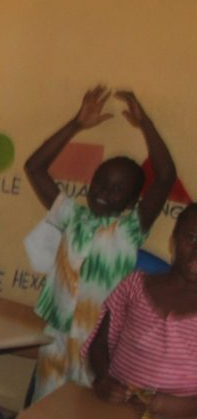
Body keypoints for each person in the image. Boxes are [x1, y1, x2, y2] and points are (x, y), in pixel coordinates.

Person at [24, 85, 176, 400]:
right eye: (101, 181)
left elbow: (165, 177)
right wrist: (76, 124)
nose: (105, 191)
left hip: (99, 346)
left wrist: (145, 124)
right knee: (43, 412)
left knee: (84, 414)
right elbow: (34, 167)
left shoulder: (130, 229)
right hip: (57, 336)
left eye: (118, 189)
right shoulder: (72, 216)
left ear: (132, 201)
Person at [84, 203, 197, 418]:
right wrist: (103, 380)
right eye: (191, 238)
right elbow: (99, 343)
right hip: (117, 410)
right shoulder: (135, 285)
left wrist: (173, 406)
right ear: (173, 240)